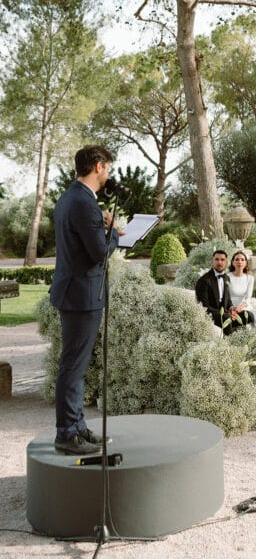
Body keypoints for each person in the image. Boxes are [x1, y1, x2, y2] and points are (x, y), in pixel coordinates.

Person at [50, 145, 120, 455]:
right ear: (98, 166)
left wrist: (101, 227)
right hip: (82, 295)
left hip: (75, 292)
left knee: (74, 365)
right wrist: (114, 232)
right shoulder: (84, 203)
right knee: (73, 366)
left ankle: (77, 427)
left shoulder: (70, 197)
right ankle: (67, 433)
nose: (108, 174)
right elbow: (100, 254)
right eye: (107, 168)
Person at [196, 250, 255, 334]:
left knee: (249, 316)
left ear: (226, 262)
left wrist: (232, 309)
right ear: (212, 261)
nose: (219, 262)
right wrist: (225, 314)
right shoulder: (204, 280)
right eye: (217, 259)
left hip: (225, 314)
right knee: (226, 318)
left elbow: (228, 301)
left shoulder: (226, 278)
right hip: (210, 313)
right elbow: (204, 306)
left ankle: (241, 338)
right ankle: (229, 343)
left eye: (222, 260)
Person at [228, 250, 256, 331]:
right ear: (232, 262)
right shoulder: (227, 277)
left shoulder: (250, 278)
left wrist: (240, 307)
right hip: (231, 307)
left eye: (242, 260)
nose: (239, 262)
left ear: (246, 263)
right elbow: (224, 296)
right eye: (237, 259)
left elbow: (248, 298)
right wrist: (231, 308)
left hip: (244, 307)